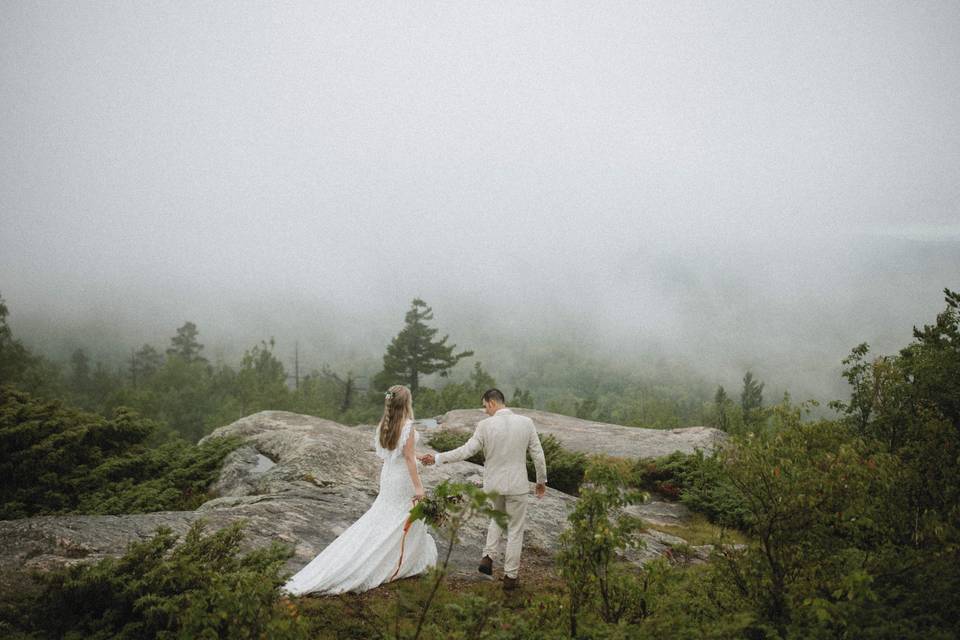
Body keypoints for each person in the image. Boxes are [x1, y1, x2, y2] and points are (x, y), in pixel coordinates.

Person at [280, 384, 437, 596]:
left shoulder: (385, 424)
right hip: (402, 480)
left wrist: (420, 456)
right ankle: (397, 562)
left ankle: (394, 558)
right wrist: (419, 486)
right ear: (406, 403)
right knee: (405, 516)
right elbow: (406, 457)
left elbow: (397, 453)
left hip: (389, 475)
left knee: (384, 517)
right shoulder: (408, 425)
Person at [419, 388, 547, 591]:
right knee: (515, 530)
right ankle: (510, 577)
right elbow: (538, 455)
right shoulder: (526, 423)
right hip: (517, 485)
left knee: (496, 518)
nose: (485, 411)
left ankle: (488, 558)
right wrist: (541, 481)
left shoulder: (485, 426)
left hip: (494, 485)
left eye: (485, 406)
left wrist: (437, 458)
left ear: (492, 403)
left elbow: (466, 451)